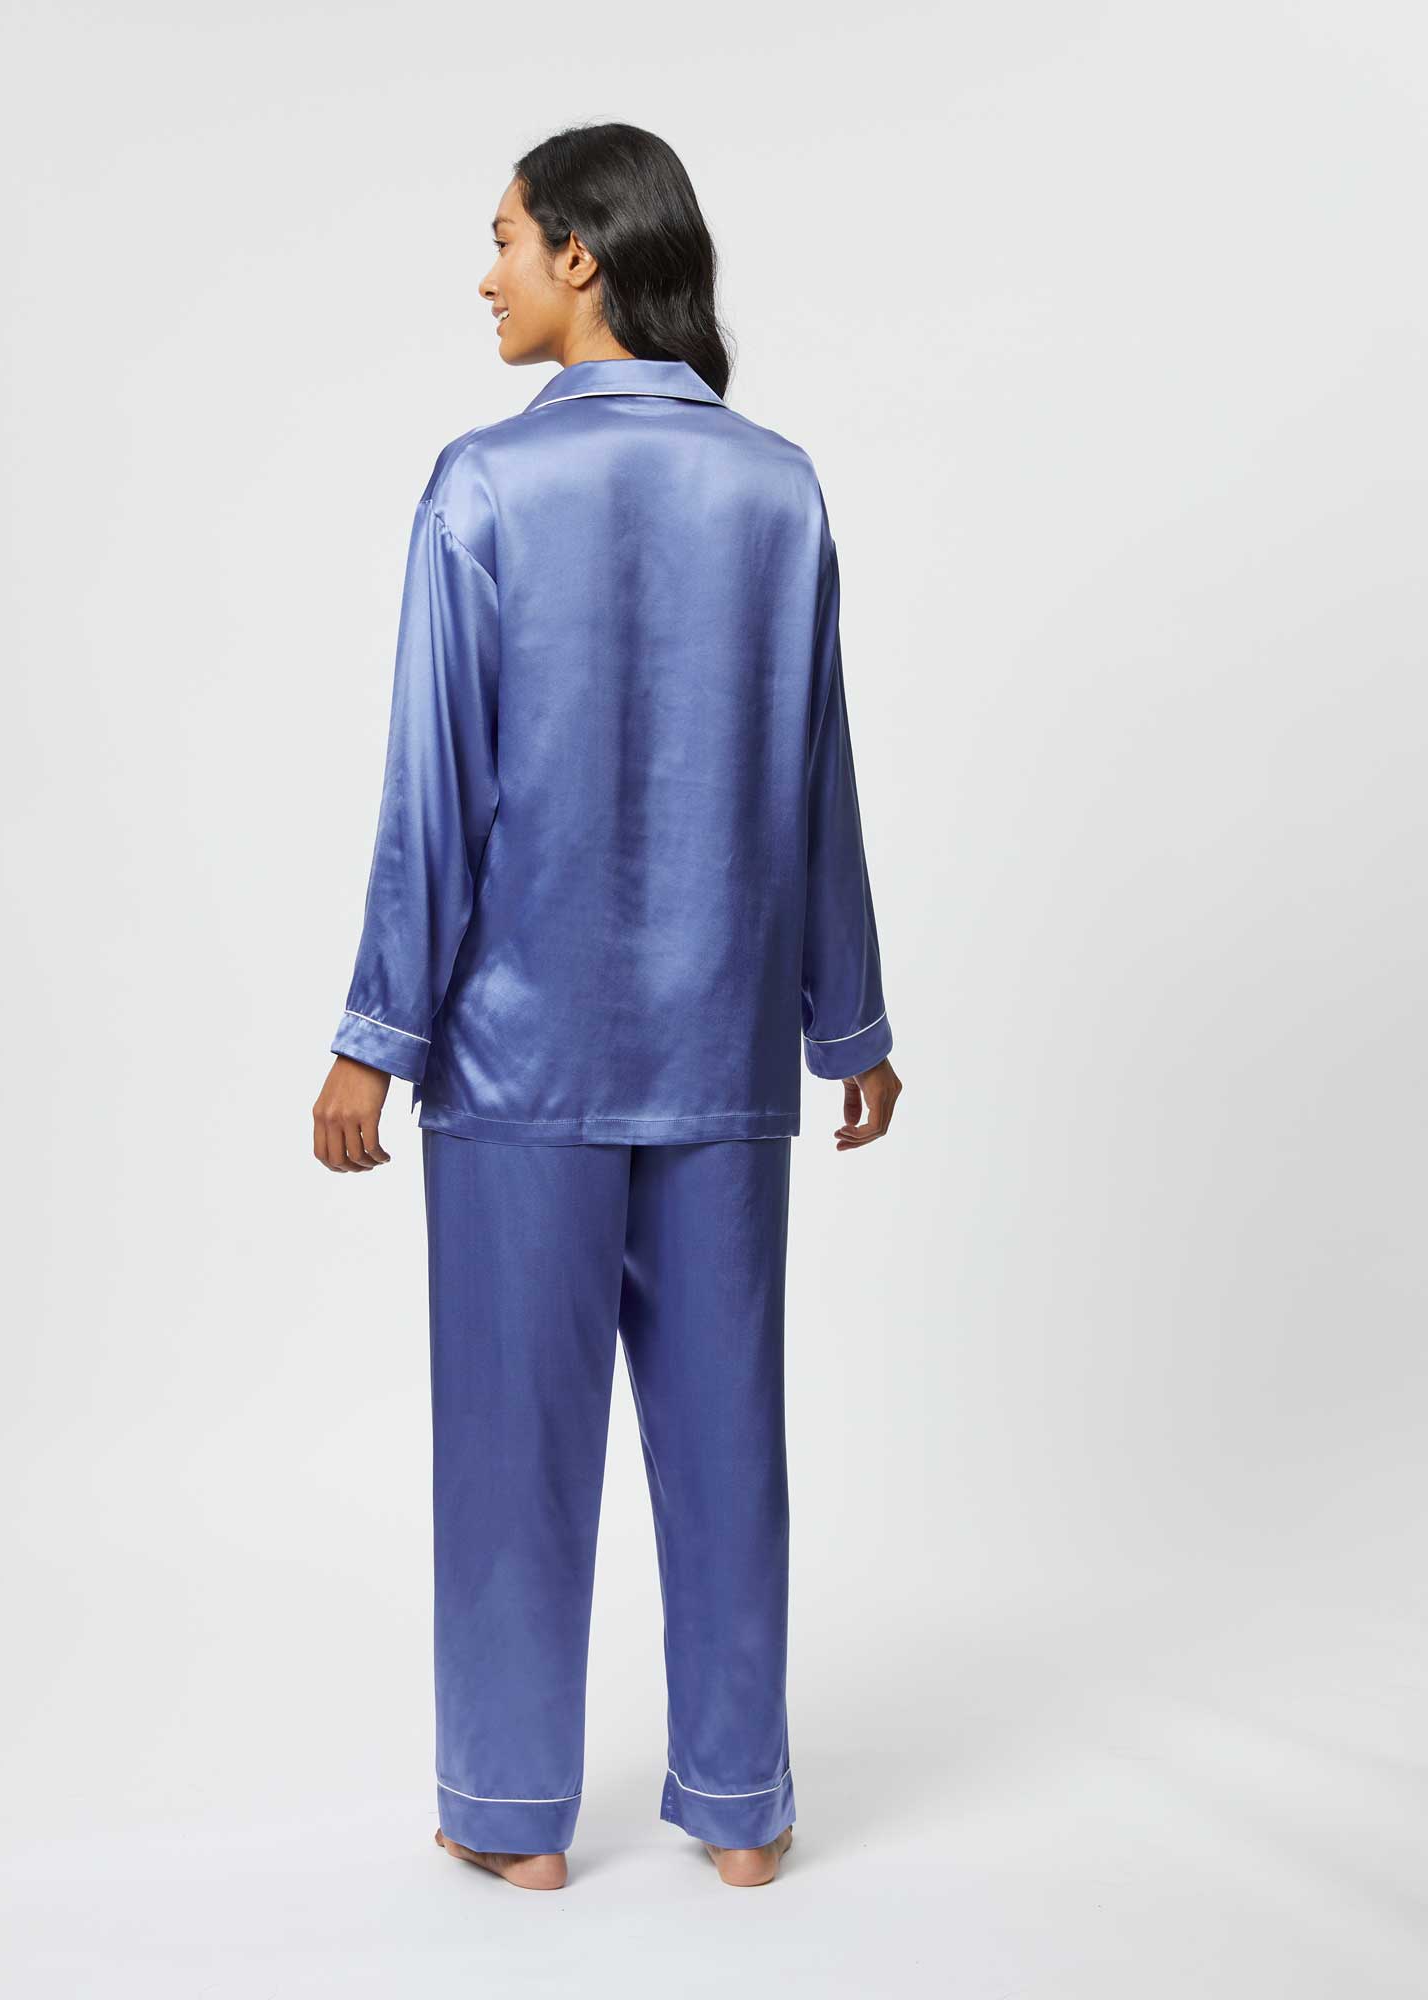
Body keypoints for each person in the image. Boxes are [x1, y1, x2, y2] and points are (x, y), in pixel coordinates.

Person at [311, 122, 901, 1892]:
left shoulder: (484, 488)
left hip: (521, 1062)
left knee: (513, 1453)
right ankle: (744, 1813)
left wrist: (374, 1040)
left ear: (582, 255)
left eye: (503, 239)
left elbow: (437, 790)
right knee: (729, 1447)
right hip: (724, 1053)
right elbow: (818, 775)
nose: (485, 275)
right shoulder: (780, 489)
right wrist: (851, 1026)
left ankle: (512, 1826)